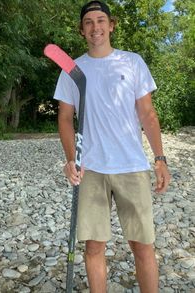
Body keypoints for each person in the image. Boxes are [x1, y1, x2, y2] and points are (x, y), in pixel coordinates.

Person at [53, 1, 171, 292]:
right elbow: (66, 119)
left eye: (101, 20)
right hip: (90, 168)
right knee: (93, 247)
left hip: (131, 166)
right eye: (89, 22)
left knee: (143, 246)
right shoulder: (73, 69)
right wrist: (71, 159)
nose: (96, 27)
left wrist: (159, 158)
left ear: (111, 25)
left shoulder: (132, 62)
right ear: (82, 30)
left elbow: (148, 114)